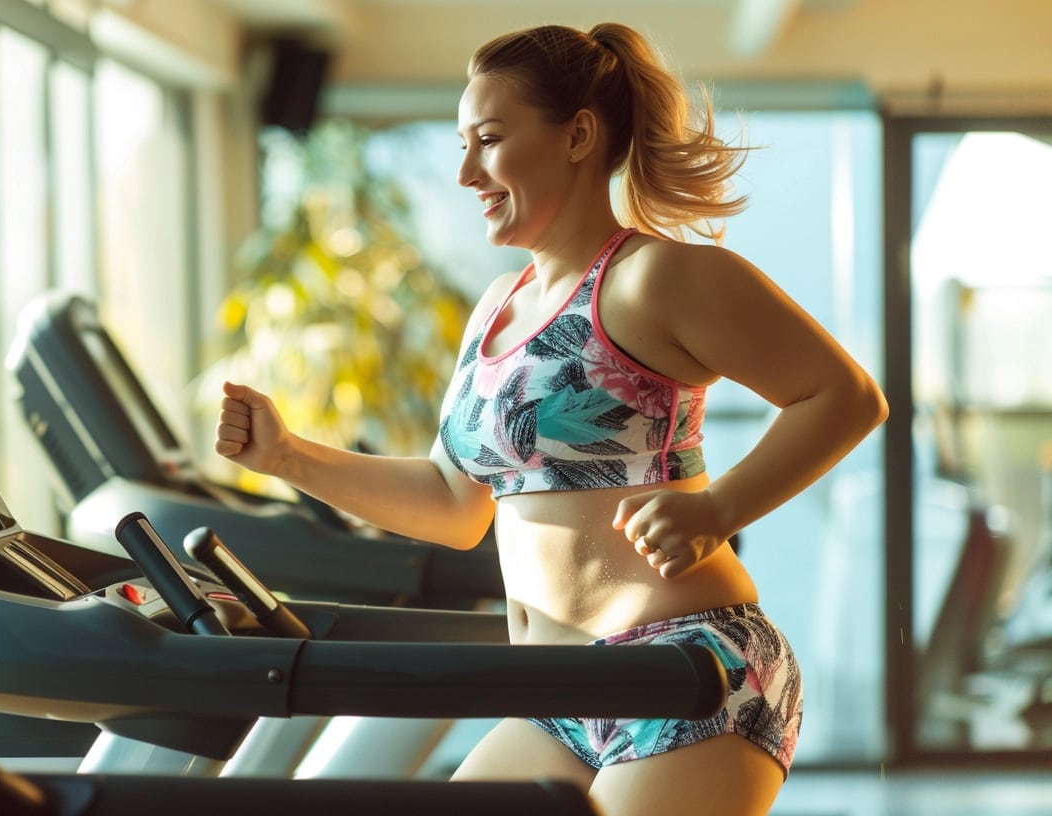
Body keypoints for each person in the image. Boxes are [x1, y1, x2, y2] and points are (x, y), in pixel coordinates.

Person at [214, 21, 888, 816]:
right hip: (554, 693)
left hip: (687, 668)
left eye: (490, 141)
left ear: (577, 135)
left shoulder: (656, 278)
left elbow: (844, 396)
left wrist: (719, 508)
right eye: (462, 143)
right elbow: (452, 502)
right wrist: (289, 456)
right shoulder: (496, 307)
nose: (466, 172)